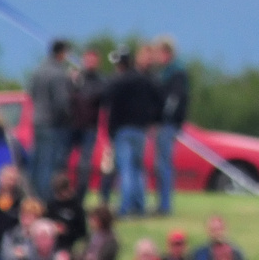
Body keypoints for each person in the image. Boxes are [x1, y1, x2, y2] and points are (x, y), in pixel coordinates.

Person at [103, 46, 161, 218]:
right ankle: (140, 206)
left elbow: (109, 104)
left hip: (123, 130)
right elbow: (158, 100)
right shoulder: (146, 80)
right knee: (138, 169)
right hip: (141, 130)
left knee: (126, 170)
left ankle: (124, 207)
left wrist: (111, 130)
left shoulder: (120, 81)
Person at [28, 40, 75, 204]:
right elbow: (61, 102)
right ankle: (46, 198)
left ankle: (35, 196)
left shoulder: (38, 70)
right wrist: (68, 117)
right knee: (50, 164)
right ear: (61, 52)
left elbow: (32, 93)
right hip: (52, 123)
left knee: (39, 161)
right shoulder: (58, 73)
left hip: (38, 120)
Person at [152, 36, 187, 216]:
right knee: (161, 165)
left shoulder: (175, 73)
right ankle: (162, 203)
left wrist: (163, 117)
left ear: (166, 53)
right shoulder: (165, 72)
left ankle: (165, 205)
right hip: (165, 124)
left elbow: (173, 99)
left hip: (167, 125)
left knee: (164, 165)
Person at [70, 49, 108, 203]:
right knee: (63, 161)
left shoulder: (100, 81)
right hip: (72, 126)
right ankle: (63, 191)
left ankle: (80, 195)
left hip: (90, 127)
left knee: (85, 164)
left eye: (94, 60)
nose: (90, 63)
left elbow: (99, 98)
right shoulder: (77, 78)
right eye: (88, 59)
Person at [41, 174, 85, 253]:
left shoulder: (76, 206)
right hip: (51, 243)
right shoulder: (51, 204)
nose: (60, 197)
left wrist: (66, 230)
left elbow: (82, 231)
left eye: (61, 194)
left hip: (69, 244)